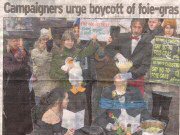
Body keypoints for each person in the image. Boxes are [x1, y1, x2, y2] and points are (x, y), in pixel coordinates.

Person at [49, 29, 98, 125]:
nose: (70, 42)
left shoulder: (79, 52)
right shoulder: (58, 55)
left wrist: (94, 41)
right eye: (67, 40)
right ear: (63, 41)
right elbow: (52, 74)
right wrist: (65, 72)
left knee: (81, 118)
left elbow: (90, 50)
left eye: (72, 40)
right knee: (68, 120)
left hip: (80, 91)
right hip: (66, 92)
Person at [107, 19, 153, 95]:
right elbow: (109, 48)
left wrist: (128, 75)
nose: (136, 30)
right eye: (134, 27)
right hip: (120, 78)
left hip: (136, 80)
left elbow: (145, 67)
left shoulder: (148, 44)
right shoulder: (122, 37)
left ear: (143, 29)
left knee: (134, 104)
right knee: (120, 103)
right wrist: (118, 55)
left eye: (139, 27)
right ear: (131, 27)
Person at [31, 87, 104, 135]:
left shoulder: (59, 110)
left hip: (69, 130)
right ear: (58, 101)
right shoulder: (48, 117)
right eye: (66, 99)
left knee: (96, 131)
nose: (68, 101)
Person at [151, 19, 179, 127]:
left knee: (166, 106)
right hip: (157, 79)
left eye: (171, 28)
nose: (169, 30)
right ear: (163, 28)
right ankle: (153, 126)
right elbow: (148, 52)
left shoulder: (177, 42)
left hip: (169, 81)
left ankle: (163, 125)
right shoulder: (156, 40)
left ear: (174, 29)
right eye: (166, 27)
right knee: (156, 105)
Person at [3, 36, 34, 135]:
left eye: (20, 40)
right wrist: (19, 60)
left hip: (25, 95)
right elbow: (9, 69)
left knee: (24, 124)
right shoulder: (6, 56)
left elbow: (29, 70)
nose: (18, 43)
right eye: (14, 40)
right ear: (8, 42)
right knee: (13, 125)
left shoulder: (24, 54)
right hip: (12, 96)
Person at [31, 28, 55, 105]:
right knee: (39, 112)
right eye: (43, 40)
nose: (45, 42)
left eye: (47, 40)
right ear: (38, 42)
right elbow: (40, 62)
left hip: (52, 88)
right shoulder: (34, 51)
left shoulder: (53, 49)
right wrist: (48, 50)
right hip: (40, 89)